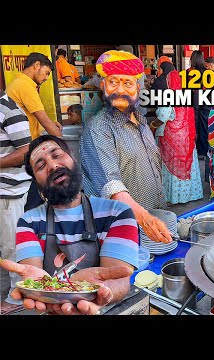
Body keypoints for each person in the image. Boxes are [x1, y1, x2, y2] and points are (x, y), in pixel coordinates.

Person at [0, 135, 139, 315]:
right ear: (37, 182)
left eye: (57, 155)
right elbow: (34, 276)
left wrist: (102, 293)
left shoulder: (118, 213)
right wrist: (41, 290)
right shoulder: (29, 223)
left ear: (72, 157)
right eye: (41, 166)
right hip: (54, 309)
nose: (52, 166)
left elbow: (119, 278)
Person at [80, 50, 172, 244]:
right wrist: (145, 218)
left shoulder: (141, 121)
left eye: (128, 83)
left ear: (138, 88)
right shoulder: (98, 128)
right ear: (103, 85)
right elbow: (111, 186)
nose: (120, 90)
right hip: (123, 230)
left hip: (152, 221)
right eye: (114, 82)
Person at [6, 52, 63, 212]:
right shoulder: (25, 86)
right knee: (34, 196)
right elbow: (42, 118)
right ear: (36, 65)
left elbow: (36, 117)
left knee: (34, 193)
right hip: (21, 149)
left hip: (20, 147)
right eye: (46, 73)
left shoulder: (18, 83)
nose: (46, 78)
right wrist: (61, 144)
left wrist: (52, 124)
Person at [152, 62, 203, 204]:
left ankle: (175, 197)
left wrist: (151, 126)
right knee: (187, 164)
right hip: (185, 138)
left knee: (173, 168)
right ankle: (190, 195)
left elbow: (162, 117)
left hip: (172, 139)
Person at [0, 90, 32, 308]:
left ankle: (17, 295)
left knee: (11, 246)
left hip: (9, 193)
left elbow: (25, 151)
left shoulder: (9, 110)